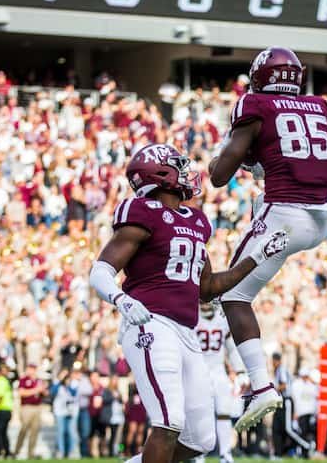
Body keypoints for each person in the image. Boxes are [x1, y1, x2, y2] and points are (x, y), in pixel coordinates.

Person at [89, 143, 289, 463]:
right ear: (161, 174)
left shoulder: (195, 221)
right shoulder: (142, 212)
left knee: (201, 439)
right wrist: (122, 301)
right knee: (169, 422)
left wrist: (257, 256)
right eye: (178, 166)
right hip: (150, 323)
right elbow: (100, 271)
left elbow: (208, 289)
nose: (187, 172)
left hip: (185, 330)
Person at [208, 47, 327, 432]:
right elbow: (299, 156)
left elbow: (218, 176)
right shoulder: (318, 107)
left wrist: (231, 152)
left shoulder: (254, 106)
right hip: (323, 217)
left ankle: (261, 385)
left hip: (285, 214)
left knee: (231, 294)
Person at [195, 301, 244, 463]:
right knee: (201, 414)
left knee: (224, 412)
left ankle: (225, 453)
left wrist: (240, 371)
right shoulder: (192, 317)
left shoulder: (222, 319)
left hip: (218, 371)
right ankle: (199, 453)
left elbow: (232, 348)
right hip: (199, 372)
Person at [15, 363, 47, 458]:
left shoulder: (39, 380)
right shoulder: (24, 380)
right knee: (24, 429)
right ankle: (16, 451)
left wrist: (43, 390)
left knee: (34, 431)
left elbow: (45, 393)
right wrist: (35, 390)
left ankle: (31, 454)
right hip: (27, 407)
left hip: (37, 407)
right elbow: (21, 392)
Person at [291, 368, 318, 458]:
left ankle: (308, 452)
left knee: (309, 433)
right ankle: (303, 452)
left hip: (310, 413)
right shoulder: (296, 384)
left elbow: (314, 398)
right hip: (301, 413)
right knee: (302, 433)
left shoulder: (312, 385)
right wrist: (295, 412)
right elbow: (295, 399)